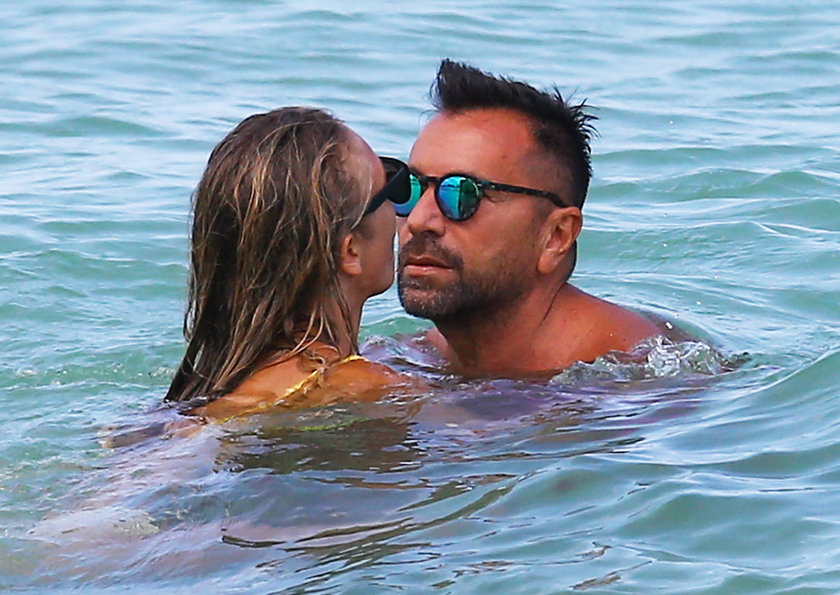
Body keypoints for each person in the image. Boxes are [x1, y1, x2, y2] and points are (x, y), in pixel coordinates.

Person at [396, 60, 661, 376]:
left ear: (556, 236)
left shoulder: (635, 378)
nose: (418, 220)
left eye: (462, 194)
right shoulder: (409, 357)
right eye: (410, 188)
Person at [164, 107, 412, 420]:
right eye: (392, 187)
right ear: (350, 251)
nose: (410, 216)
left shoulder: (202, 393)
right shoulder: (372, 389)